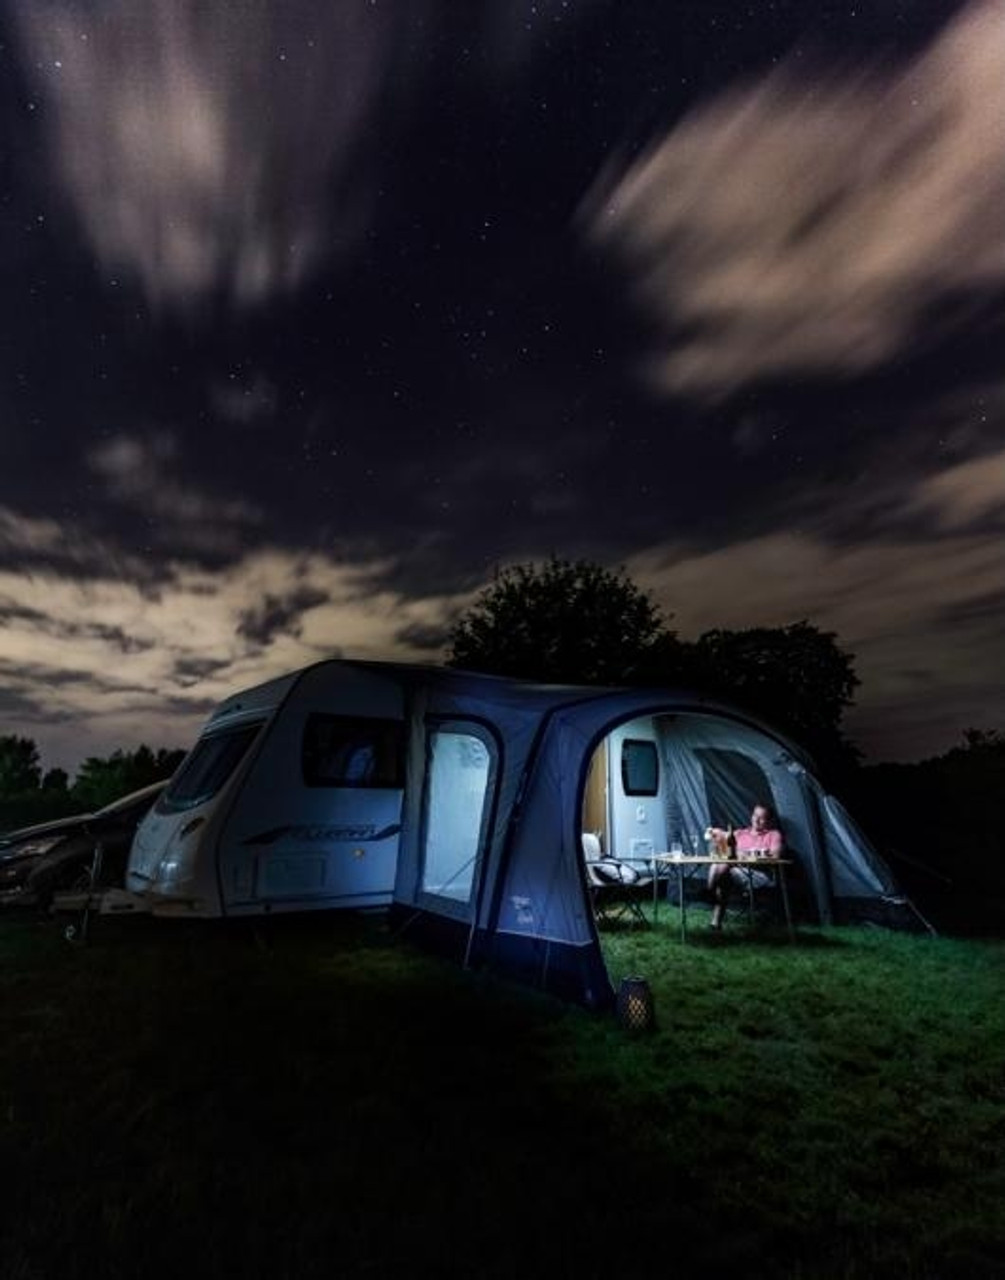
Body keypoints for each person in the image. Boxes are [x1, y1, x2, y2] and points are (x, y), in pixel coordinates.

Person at [707, 803, 784, 930]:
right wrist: (715, 833)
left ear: (769, 820)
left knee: (725, 872)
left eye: (761, 818)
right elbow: (722, 837)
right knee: (721, 870)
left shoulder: (773, 835)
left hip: (761, 876)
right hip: (736, 872)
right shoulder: (740, 833)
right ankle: (715, 920)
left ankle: (710, 897)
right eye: (755, 815)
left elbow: (776, 855)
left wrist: (746, 855)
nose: (756, 820)